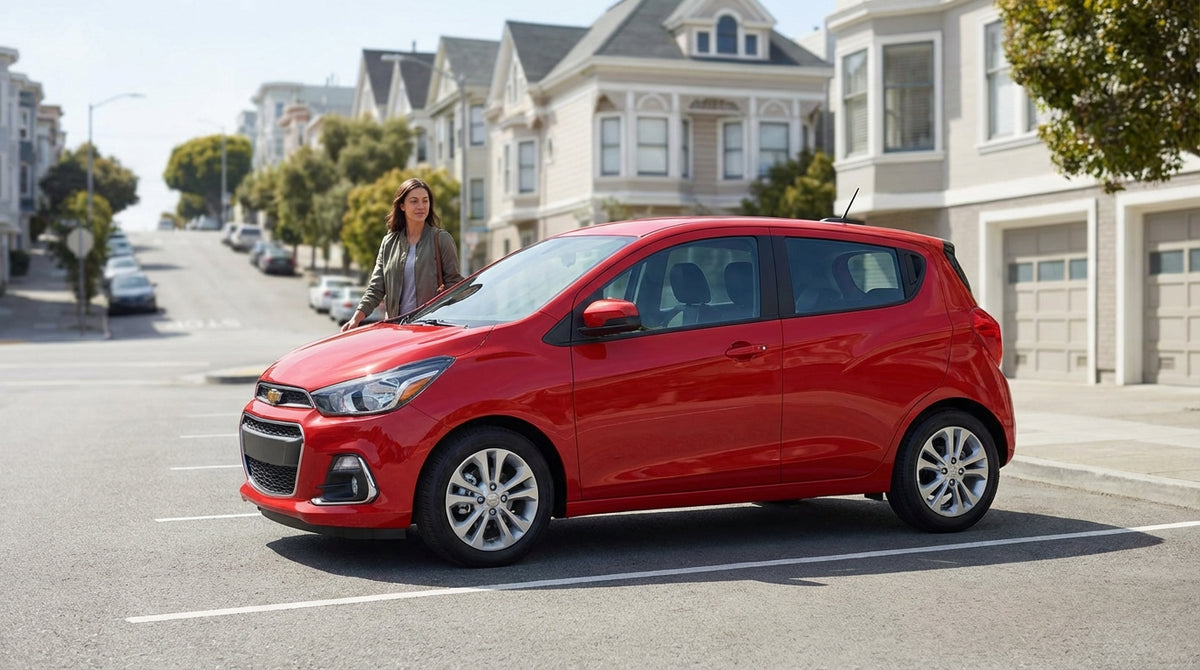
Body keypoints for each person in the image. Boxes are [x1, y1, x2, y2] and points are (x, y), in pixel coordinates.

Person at [341, 177, 464, 331]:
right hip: (396, 330)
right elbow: (376, 288)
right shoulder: (389, 243)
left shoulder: (441, 239)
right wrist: (356, 319)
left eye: (425, 201)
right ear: (402, 206)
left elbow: (454, 283)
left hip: (430, 329)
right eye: (414, 201)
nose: (421, 206)